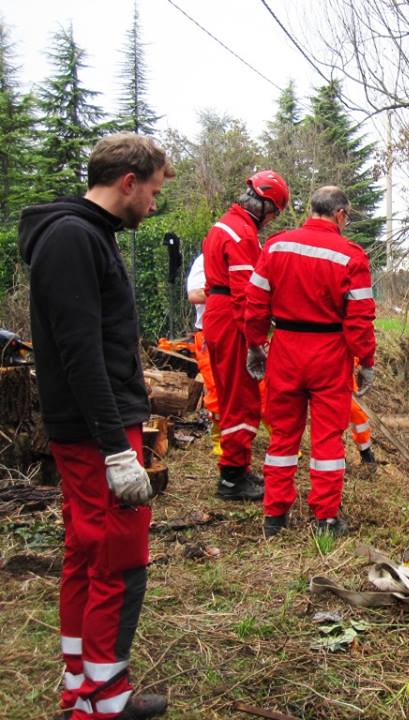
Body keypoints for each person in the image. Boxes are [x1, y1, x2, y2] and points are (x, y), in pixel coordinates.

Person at [18, 132, 174, 720]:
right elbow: (79, 353)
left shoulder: (88, 234)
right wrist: (116, 450)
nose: (154, 204)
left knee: (89, 554)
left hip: (94, 427)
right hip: (95, 433)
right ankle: (105, 702)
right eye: (152, 191)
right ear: (128, 182)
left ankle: (84, 691)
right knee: (118, 559)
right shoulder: (73, 238)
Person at [244, 186, 376, 538]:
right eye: (347, 217)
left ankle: (274, 516)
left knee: (283, 436)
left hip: (285, 350)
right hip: (329, 354)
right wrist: (366, 361)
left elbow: (255, 303)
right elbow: (360, 318)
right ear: (340, 214)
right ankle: (326, 519)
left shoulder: (276, 246)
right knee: (328, 438)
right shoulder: (351, 256)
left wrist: (255, 345)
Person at [201, 170, 289, 501]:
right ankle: (233, 477)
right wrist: (255, 341)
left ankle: (236, 468)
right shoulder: (242, 235)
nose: (272, 220)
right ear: (265, 205)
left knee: (230, 395)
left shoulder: (224, 225)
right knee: (242, 399)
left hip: (218, 312)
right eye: (274, 213)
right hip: (231, 319)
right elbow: (246, 295)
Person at [185, 253, 221, 456]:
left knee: (261, 386)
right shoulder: (205, 260)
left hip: (244, 330)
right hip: (210, 332)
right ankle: (221, 439)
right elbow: (194, 295)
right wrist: (230, 289)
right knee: (217, 388)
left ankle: (280, 438)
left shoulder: (251, 251)